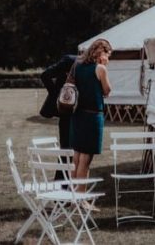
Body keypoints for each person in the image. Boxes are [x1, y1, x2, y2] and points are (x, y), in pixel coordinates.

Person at [70, 39, 112, 201]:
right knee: (86, 159)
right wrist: (104, 67)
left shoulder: (78, 66)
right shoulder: (101, 69)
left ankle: (73, 196)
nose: (109, 58)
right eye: (108, 55)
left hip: (77, 115)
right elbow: (107, 90)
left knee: (77, 156)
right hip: (93, 116)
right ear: (102, 53)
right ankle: (81, 199)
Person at [40, 54, 78, 181]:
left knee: (76, 150)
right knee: (66, 149)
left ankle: (72, 182)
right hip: (66, 112)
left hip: (80, 113)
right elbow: (45, 75)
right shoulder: (69, 60)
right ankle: (61, 182)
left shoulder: (93, 66)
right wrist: (58, 94)